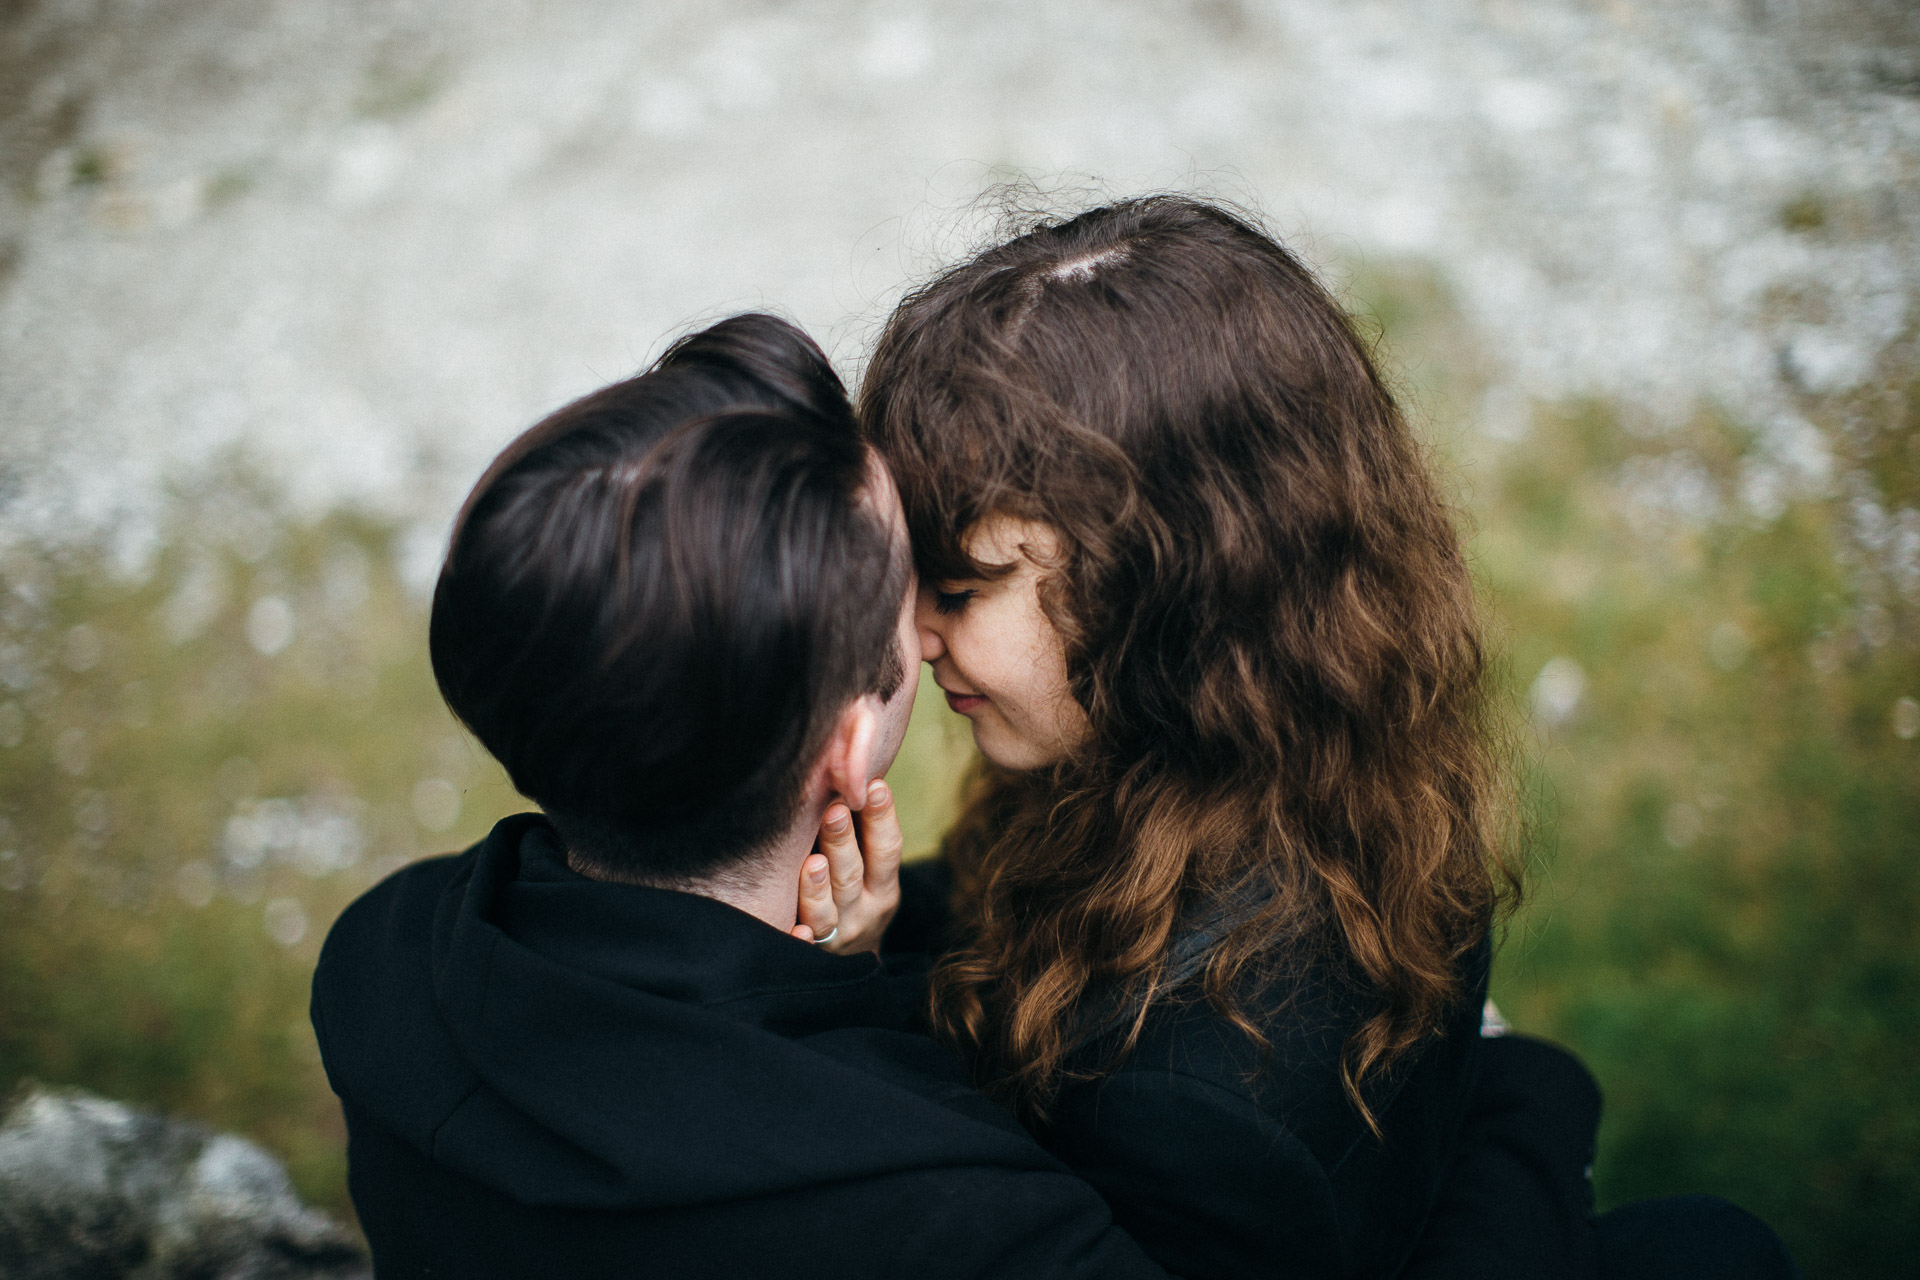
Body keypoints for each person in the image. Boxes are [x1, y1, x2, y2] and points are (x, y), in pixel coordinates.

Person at [856, 195, 1801, 1280]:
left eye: (964, 586)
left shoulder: (1191, 1105)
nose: (916, 632)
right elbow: (989, 906)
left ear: (1160, 585)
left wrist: (845, 1001)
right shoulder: (1290, 743)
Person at [309, 313, 1173, 1279]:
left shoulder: (375, 963)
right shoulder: (983, 1225)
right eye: (911, 592)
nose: (933, 625)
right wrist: (870, 1000)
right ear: (847, 746)